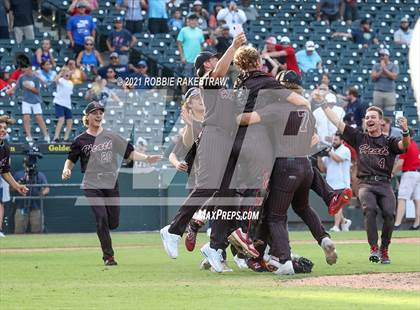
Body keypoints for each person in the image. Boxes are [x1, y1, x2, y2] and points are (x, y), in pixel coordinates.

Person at [160, 32, 247, 272]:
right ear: (205, 65)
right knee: (208, 186)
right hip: (214, 135)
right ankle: (173, 229)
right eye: (213, 59)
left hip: (228, 138)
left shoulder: (223, 86)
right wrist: (233, 46)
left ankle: (216, 247)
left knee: (228, 196)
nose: (217, 61)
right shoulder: (206, 81)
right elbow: (219, 71)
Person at [62, 101, 161, 265]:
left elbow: (129, 153)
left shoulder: (111, 136)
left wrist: (147, 158)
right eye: (94, 112)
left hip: (110, 182)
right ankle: (109, 256)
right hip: (91, 183)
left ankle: (108, 237)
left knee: (113, 222)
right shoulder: (80, 140)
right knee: (101, 218)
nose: (98, 115)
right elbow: (71, 159)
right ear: (87, 117)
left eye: (101, 112)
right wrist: (66, 169)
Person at [322, 105, 410, 264]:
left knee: (390, 214)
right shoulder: (359, 137)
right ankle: (374, 248)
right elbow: (337, 122)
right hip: (365, 184)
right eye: (367, 117)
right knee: (369, 209)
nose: (369, 119)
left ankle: (384, 249)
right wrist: (323, 105)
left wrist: (405, 131)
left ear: (381, 121)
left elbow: (404, 146)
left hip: (384, 183)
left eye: (373, 117)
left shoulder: (389, 140)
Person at [0, 115, 30, 236]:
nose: (3, 130)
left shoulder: (5, 148)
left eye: (4, 128)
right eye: (0, 127)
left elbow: (5, 171)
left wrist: (17, 186)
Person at [7, 64, 50, 143]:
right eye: (23, 69)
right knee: (26, 117)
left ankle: (46, 135)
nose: (23, 70)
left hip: (36, 100)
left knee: (39, 118)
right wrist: (11, 91)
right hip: (26, 100)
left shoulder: (36, 78)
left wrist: (29, 87)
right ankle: (29, 136)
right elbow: (16, 86)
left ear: (30, 68)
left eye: (25, 68)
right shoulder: (21, 77)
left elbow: (37, 91)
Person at [318, 132, 352, 232]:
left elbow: (338, 159)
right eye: (333, 139)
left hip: (342, 183)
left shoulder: (345, 150)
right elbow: (322, 168)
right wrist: (319, 156)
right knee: (334, 204)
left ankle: (336, 226)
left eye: (336, 140)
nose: (333, 142)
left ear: (342, 141)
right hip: (330, 183)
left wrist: (328, 151)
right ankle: (344, 221)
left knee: (337, 204)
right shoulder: (330, 151)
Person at [13, 159, 50, 234]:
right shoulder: (18, 174)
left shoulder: (39, 174)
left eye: (30, 164)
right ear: (23, 164)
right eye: (27, 164)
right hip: (21, 206)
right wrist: (17, 185)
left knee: (37, 230)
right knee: (19, 231)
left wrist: (41, 193)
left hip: (36, 206)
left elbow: (47, 188)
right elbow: (10, 188)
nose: (29, 166)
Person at [393, 129, 419, 230]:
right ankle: (416, 224)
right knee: (417, 200)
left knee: (402, 199)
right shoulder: (415, 145)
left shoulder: (406, 145)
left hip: (409, 174)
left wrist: (392, 172)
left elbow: (400, 163)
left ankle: (397, 223)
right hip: (417, 173)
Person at [52, 68, 73, 143]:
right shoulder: (60, 80)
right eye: (65, 72)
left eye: (68, 72)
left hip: (67, 105)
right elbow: (55, 80)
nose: (67, 73)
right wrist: (60, 73)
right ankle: (56, 137)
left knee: (70, 121)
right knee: (61, 119)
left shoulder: (71, 83)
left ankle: (66, 138)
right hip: (59, 102)